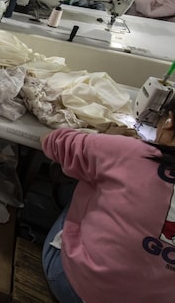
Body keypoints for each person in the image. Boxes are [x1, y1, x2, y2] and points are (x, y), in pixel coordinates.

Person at [40, 98, 175, 303]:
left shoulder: (132, 152)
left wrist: (107, 140)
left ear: (169, 122)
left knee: (90, 182)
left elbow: (52, 142)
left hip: (76, 290)